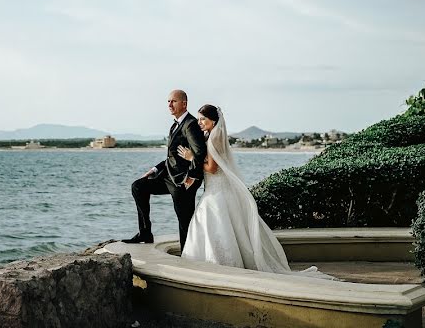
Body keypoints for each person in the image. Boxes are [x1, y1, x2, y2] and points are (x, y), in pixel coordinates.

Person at [177, 105, 334, 278]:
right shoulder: (214, 134)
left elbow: (212, 169)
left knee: (211, 221)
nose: (199, 122)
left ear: (213, 120)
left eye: (202, 119)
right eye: (198, 119)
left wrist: (192, 158)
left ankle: (220, 264)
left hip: (217, 188)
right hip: (218, 188)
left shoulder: (214, 137)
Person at [122, 89, 208, 251]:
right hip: (168, 176)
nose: (169, 104)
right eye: (168, 101)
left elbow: (200, 153)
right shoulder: (175, 125)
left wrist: (193, 178)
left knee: (184, 220)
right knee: (138, 187)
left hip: (183, 181)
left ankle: (188, 253)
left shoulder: (190, 125)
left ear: (184, 103)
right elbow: (173, 157)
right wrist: (155, 169)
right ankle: (145, 233)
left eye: (173, 101)